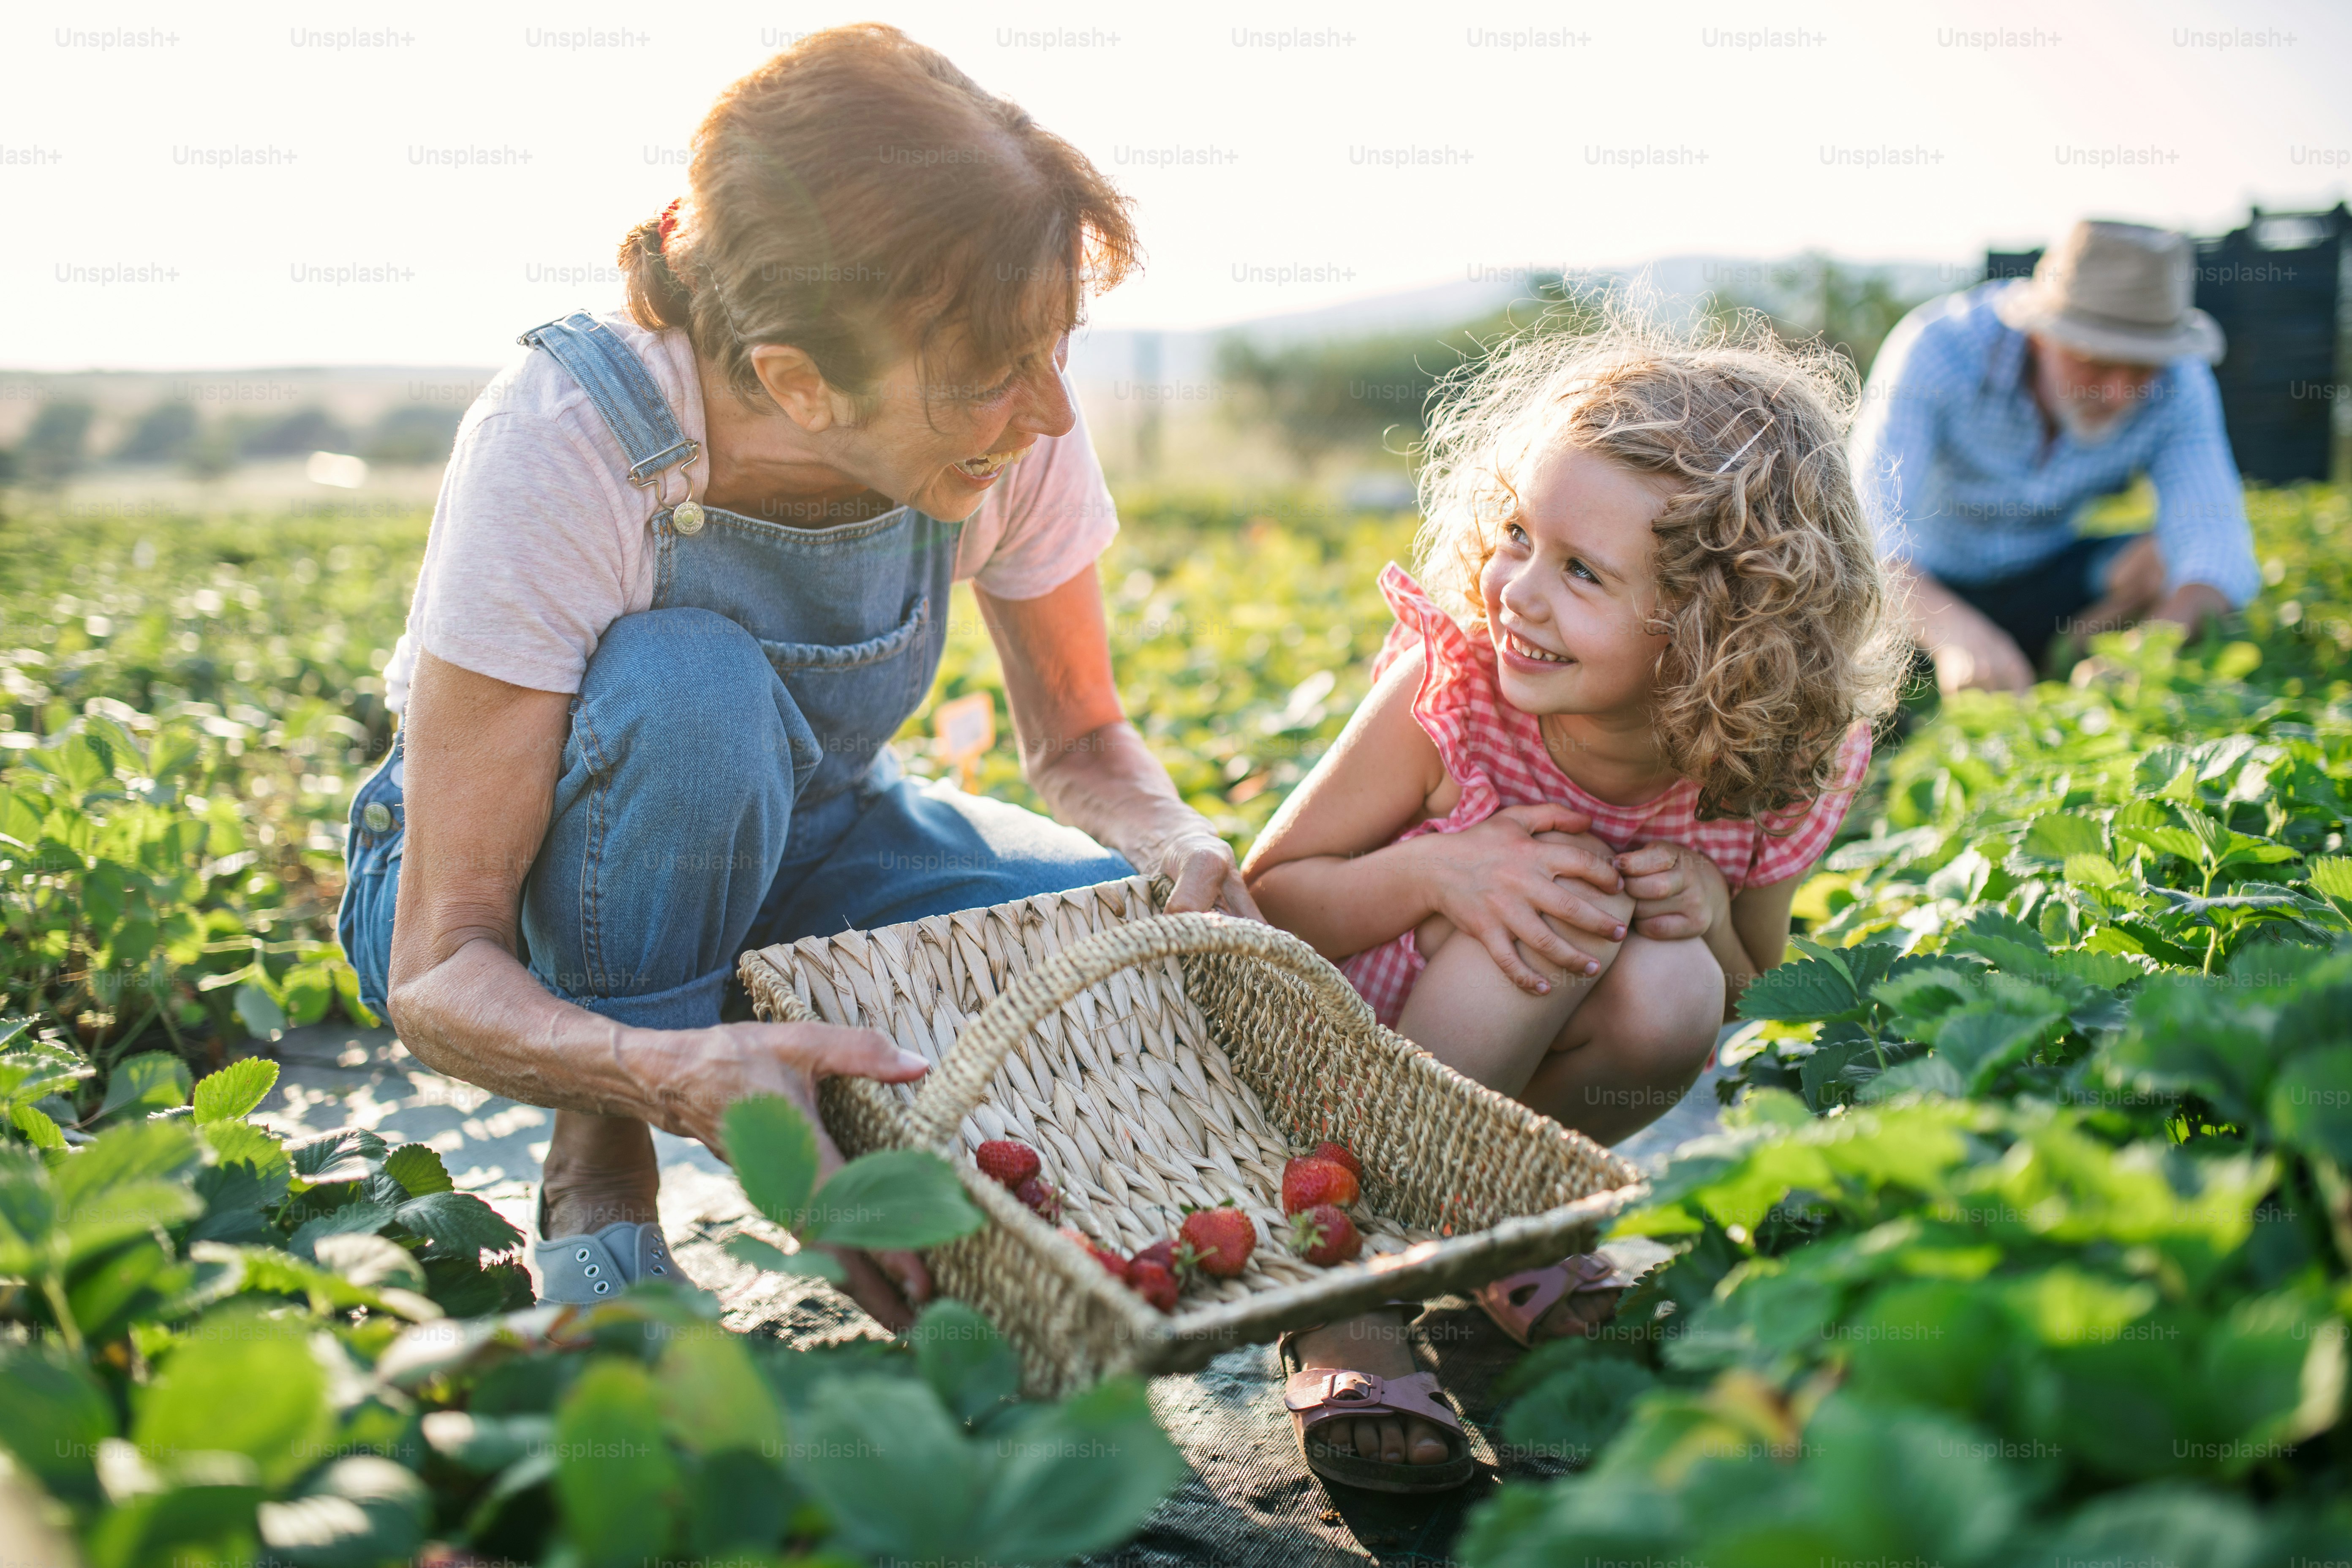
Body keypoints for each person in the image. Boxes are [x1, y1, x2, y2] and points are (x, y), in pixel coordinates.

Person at [337, 26, 1258, 1323]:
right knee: (690, 689)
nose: (1050, 411)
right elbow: (442, 966)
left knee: (1106, 931)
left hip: (816, 841)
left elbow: (1081, 740)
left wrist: (1173, 838)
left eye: (1057, 348)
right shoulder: (569, 440)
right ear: (794, 381)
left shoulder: (1004, 415)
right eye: (1001, 373)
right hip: (531, 907)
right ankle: (596, 1159)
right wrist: (664, 1075)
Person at [1243, 317, 1902, 1489]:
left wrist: (1703, 902)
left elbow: (1752, 986)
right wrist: (1438, 873)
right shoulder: (1453, 696)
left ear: (1716, 630)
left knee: (1673, 981)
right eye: (1515, 537)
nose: (1516, 593)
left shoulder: (1764, 763)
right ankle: (1343, 1291)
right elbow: (1266, 907)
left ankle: (1504, 1221)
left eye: (1580, 572)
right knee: (1539, 917)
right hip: (1338, 1083)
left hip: (1499, 1092)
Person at [1851, 219, 2259, 692]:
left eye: (2143, 367)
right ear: (2041, 334)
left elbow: (2216, 547)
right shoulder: (1938, 350)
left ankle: (2062, 659)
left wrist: (2148, 653)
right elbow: (1865, 535)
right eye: (2097, 361)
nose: (2119, 393)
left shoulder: (2180, 383)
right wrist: (1954, 635)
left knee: (2160, 561)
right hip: (1926, 585)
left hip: (2054, 577)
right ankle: (1972, 662)